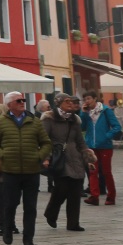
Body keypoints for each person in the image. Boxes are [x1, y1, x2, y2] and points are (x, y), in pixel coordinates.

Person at [0, 90, 50, 245]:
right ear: (9, 105)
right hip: (10, 171)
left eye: (23, 100)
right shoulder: (1, 122)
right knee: (10, 204)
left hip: (31, 171)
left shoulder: (34, 122)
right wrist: (3, 155)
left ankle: (28, 240)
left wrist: (39, 156)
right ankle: (7, 228)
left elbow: (46, 143)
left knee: (30, 207)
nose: (22, 102)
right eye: (18, 101)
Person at [42, 93, 89, 232]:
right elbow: (44, 139)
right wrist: (46, 156)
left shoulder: (75, 120)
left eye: (72, 101)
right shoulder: (49, 118)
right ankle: (51, 213)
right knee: (61, 188)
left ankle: (73, 223)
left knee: (75, 190)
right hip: (59, 157)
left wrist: (86, 154)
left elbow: (80, 140)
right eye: (67, 101)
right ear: (59, 103)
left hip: (75, 157)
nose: (71, 104)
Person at [82, 94, 121, 206]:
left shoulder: (106, 110)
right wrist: (83, 113)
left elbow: (116, 126)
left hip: (105, 146)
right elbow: (82, 127)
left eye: (89, 98)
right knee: (92, 171)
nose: (87, 101)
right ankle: (94, 196)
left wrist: (107, 136)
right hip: (91, 147)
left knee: (106, 172)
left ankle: (111, 196)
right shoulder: (87, 112)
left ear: (95, 99)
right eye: (85, 99)